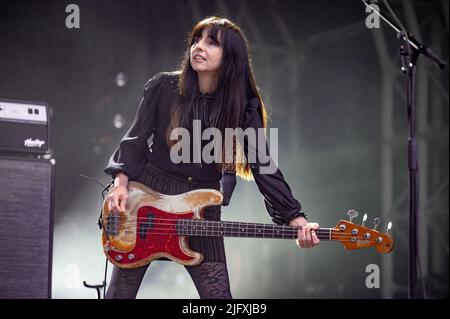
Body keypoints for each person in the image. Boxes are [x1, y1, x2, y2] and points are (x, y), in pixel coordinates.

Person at [103, 16, 320, 299]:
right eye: (196, 39)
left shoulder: (243, 104)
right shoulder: (163, 87)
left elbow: (262, 165)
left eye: (211, 42)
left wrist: (295, 218)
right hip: (147, 201)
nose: (198, 47)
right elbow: (134, 141)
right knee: (119, 295)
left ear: (230, 57)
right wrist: (120, 185)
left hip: (202, 207)